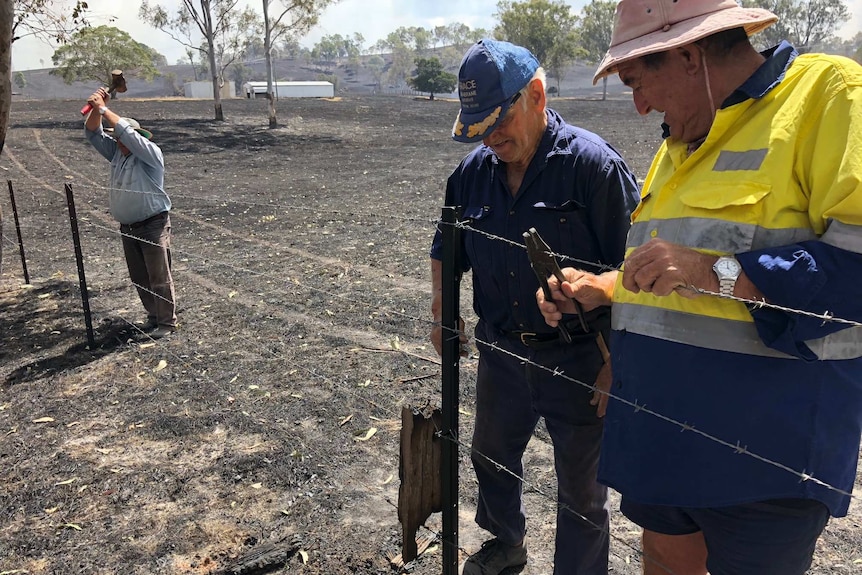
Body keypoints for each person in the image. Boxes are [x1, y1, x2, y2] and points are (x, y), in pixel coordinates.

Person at [536, 1, 862, 574]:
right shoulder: (684, 137)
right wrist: (606, 287)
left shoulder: (830, 97)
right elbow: (675, 276)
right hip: (664, 436)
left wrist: (719, 273)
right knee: (662, 559)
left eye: (638, 81)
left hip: (762, 457)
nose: (638, 106)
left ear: (690, 56)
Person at [430, 39, 640, 575]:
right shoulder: (472, 175)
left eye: (499, 121)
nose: (492, 138)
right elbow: (444, 249)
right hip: (501, 353)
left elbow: (635, 270)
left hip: (580, 360)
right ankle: (506, 545)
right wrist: (441, 306)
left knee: (582, 491)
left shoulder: (594, 167)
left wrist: (622, 360)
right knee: (490, 456)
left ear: (537, 96)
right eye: (479, 127)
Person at [84, 88, 177, 339]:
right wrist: (96, 109)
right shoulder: (116, 154)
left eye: (123, 136)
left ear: (136, 137)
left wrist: (104, 109)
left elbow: (125, 131)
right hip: (129, 226)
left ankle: (167, 323)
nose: (119, 140)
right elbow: (93, 133)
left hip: (152, 224)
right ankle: (154, 317)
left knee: (159, 276)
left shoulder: (150, 155)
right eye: (117, 138)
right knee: (140, 277)